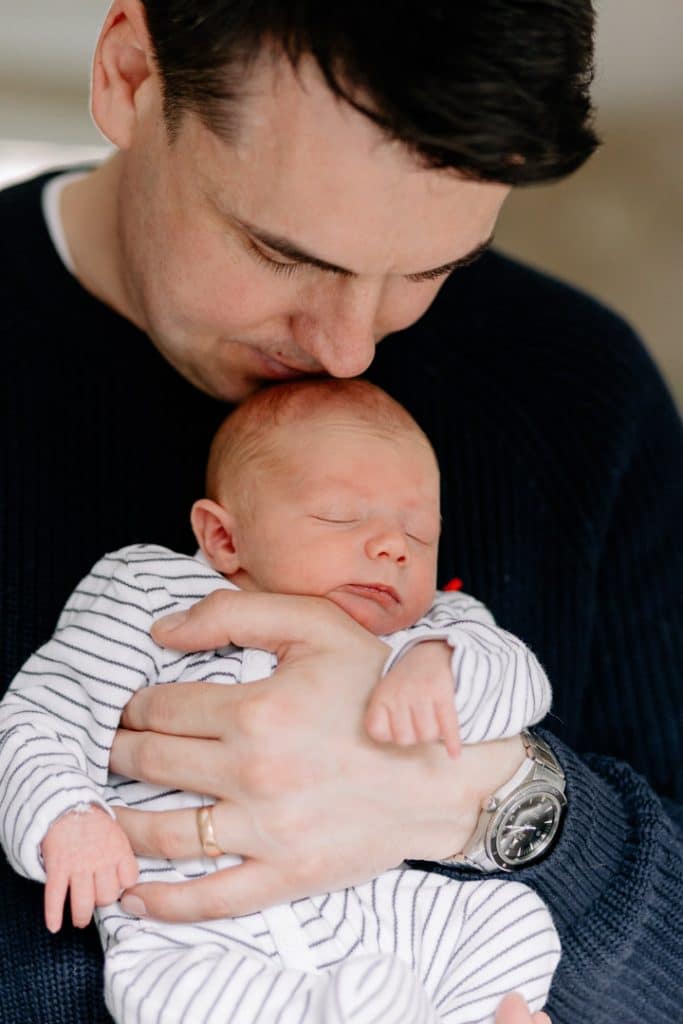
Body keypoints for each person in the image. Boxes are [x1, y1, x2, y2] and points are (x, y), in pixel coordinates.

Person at [0, 2, 681, 1023]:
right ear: (130, 74)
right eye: (285, 255)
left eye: (429, 273)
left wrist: (480, 799)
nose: (349, 350)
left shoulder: (579, 393)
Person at [0, 378, 562, 1023]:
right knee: (161, 998)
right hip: (186, 930)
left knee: (509, 920)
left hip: (361, 910)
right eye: (340, 516)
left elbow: (523, 683)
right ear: (224, 539)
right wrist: (64, 814)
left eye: (420, 533)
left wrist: (439, 664)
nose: (393, 547)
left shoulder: (432, 627)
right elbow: (44, 713)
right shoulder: (150, 593)